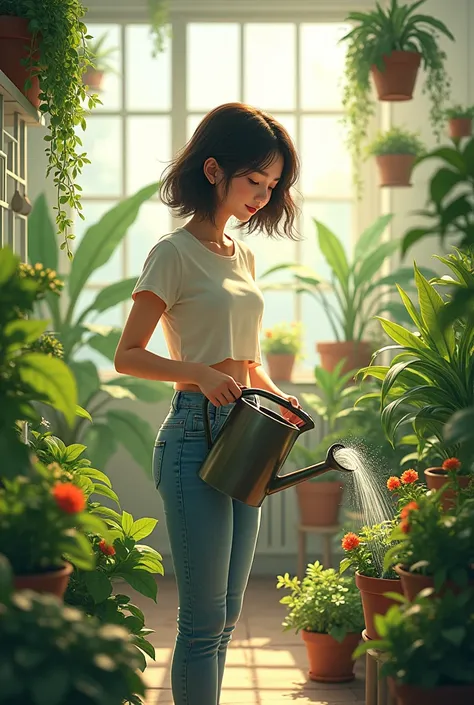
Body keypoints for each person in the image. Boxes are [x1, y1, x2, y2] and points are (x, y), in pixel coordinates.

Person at [114, 102, 303, 705]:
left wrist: (274, 392)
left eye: (271, 187)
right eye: (254, 181)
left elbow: (245, 361)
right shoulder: (172, 253)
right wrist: (194, 373)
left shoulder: (241, 255)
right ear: (215, 168)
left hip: (246, 433)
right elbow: (128, 354)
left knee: (225, 619)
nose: (262, 196)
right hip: (194, 437)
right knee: (200, 624)